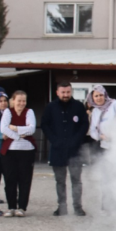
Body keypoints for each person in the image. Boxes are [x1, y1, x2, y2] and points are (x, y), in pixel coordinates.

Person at [41, 82, 90, 216]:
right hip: (57, 149)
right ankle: (62, 207)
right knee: (60, 181)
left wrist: (76, 140)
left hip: (75, 150)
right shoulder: (50, 107)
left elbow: (84, 124)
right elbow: (45, 125)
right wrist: (54, 140)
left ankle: (78, 207)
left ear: (71, 92)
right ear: (57, 92)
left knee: (76, 180)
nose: (65, 95)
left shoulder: (79, 106)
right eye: (63, 92)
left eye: (68, 92)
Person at [0, 90, 37, 217]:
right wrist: (18, 136)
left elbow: (31, 129)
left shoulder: (29, 112)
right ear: (13, 100)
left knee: (25, 179)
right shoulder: (7, 111)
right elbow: (3, 128)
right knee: (10, 179)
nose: (22, 103)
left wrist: (15, 128)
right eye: (19, 100)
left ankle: (21, 207)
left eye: (24, 101)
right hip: (10, 150)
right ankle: (11, 206)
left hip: (27, 150)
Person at [88, 85, 116, 154]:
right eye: (96, 96)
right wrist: (100, 136)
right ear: (92, 98)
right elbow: (92, 130)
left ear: (105, 95)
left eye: (101, 95)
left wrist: (114, 135)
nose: (99, 98)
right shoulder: (95, 111)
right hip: (102, 146)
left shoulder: (114, 104)